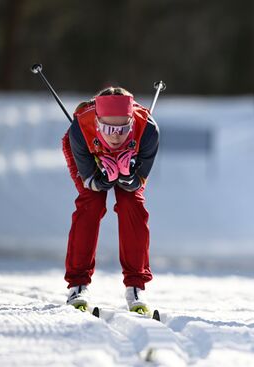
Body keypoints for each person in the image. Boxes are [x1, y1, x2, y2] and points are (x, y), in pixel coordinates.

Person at [61, 87, 160, 314]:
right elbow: (89, 180)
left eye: (123, 128)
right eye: (108, 128)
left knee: (132, 204)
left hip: (130, 158)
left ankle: (136, 287)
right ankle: (78, 285)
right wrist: (99, 180)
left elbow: (139, 181)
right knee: (91, 204)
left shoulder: (148, 131)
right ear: (97, 123)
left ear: (132, 123)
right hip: (89, 152)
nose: (115, 135)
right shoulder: (80, 130)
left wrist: (127, 177)